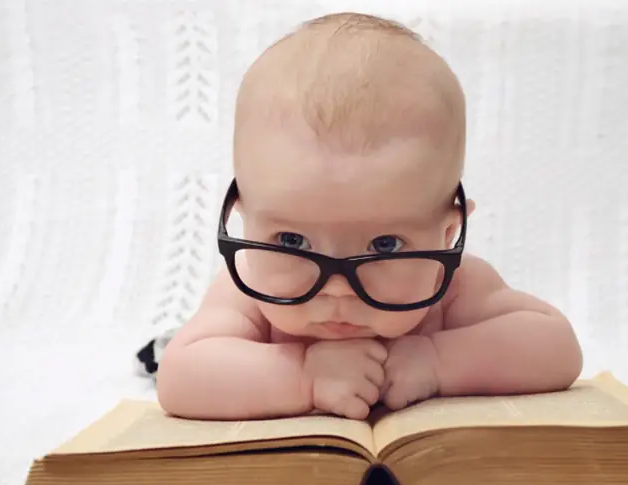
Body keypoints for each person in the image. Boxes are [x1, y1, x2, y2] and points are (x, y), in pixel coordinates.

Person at [155, 12, 583, 421]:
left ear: (447, 233)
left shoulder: (454, 286)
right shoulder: (245, 288)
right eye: (290, 241)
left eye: (385, 245)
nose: (338, 290)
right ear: (241, 217)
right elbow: (180, 378)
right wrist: (303, 376)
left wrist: (437, 361)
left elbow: (557, 347)